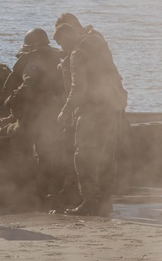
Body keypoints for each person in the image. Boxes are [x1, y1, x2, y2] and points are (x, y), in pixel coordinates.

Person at [55, 21, 129, 218]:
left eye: (61, 44)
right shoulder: (98, 46)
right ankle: (105, 202)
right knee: (107, 155)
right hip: (112, 108)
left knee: (83, 156)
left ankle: (88, 202)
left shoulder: (78, 54)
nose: (62, 48)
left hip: (91, 112)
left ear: (66, 38)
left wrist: (65, 111)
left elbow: (78, 88)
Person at [3, 28, 66, 203]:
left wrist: (12, 98)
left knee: (26, 146)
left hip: (37, 114)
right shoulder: (55, 58)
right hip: (52, 113)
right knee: (49, 152)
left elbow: (29, 84)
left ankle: (36, 191)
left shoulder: (34, 62)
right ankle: (50, 189)